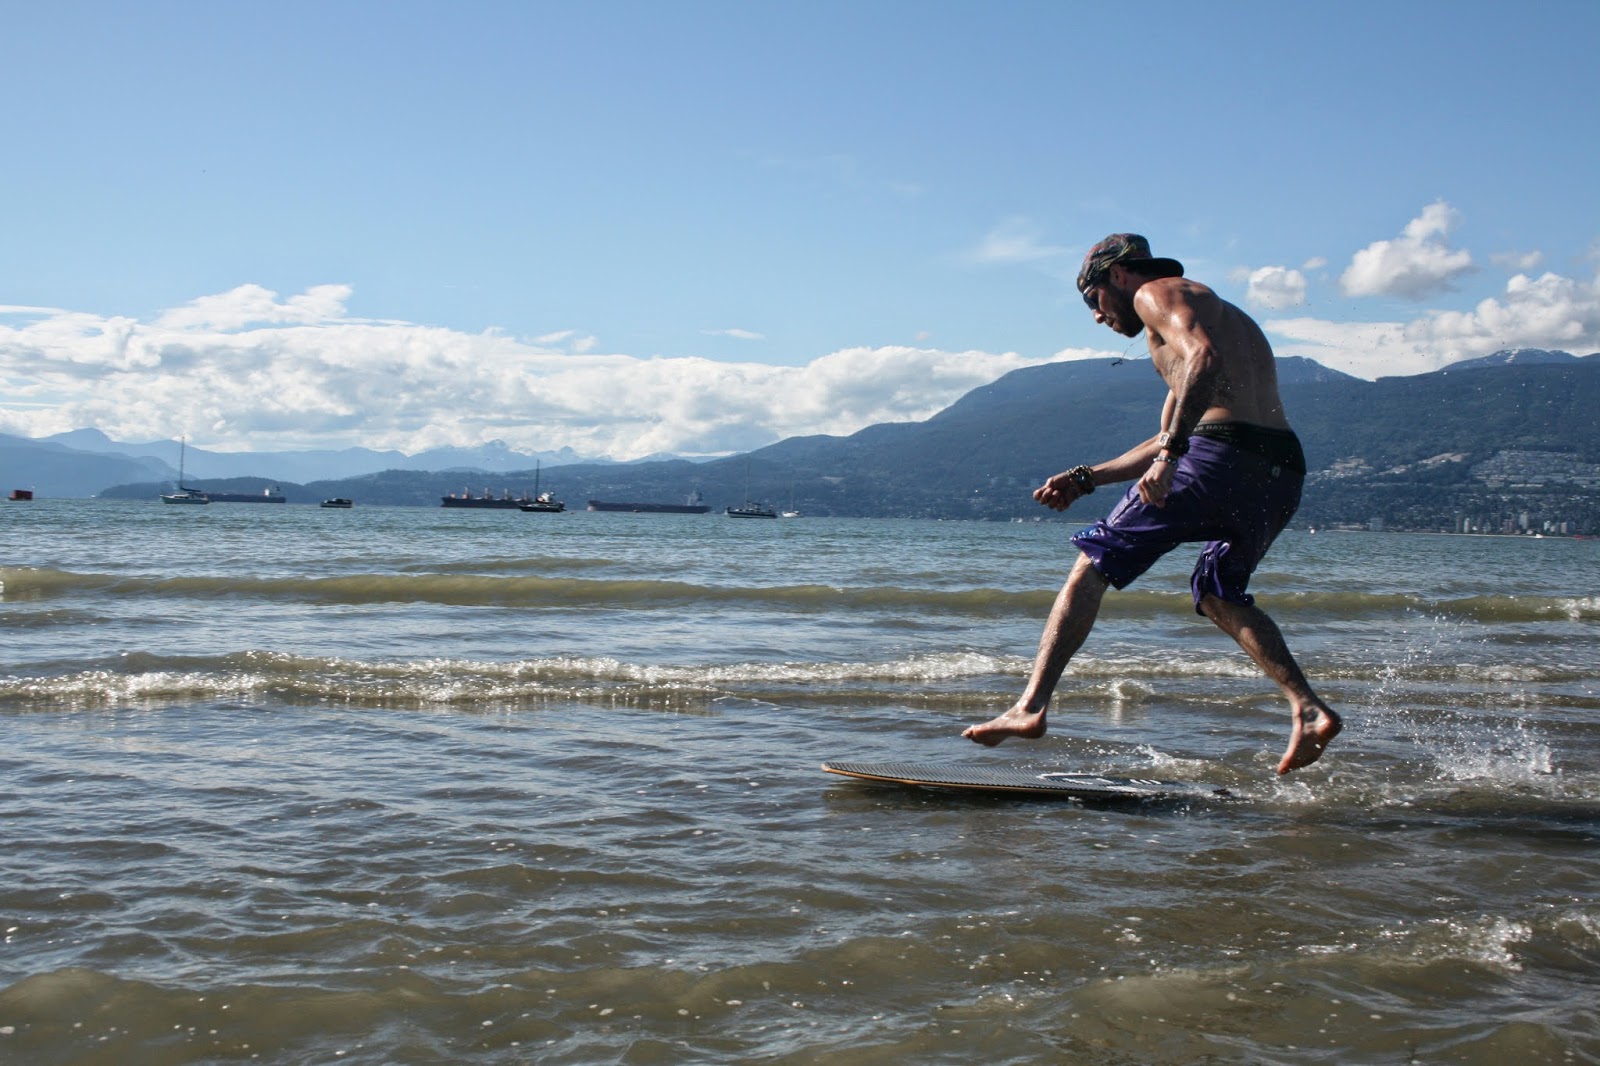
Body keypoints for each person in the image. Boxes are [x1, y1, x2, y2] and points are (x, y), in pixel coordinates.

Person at [962, 233, 1341, 774]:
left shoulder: (1157, 293)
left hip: (1220, 456)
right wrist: (1084, 477)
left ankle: (1029, 708)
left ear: (1117, 277)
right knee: (1217, 592)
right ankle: (1307, 709)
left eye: (1093, 300)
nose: (1097, 317)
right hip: (1279, 468)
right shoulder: (1206, 317)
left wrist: (1174, 455)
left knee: (1090, 566)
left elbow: (1197, 379)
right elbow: (1169, 431)